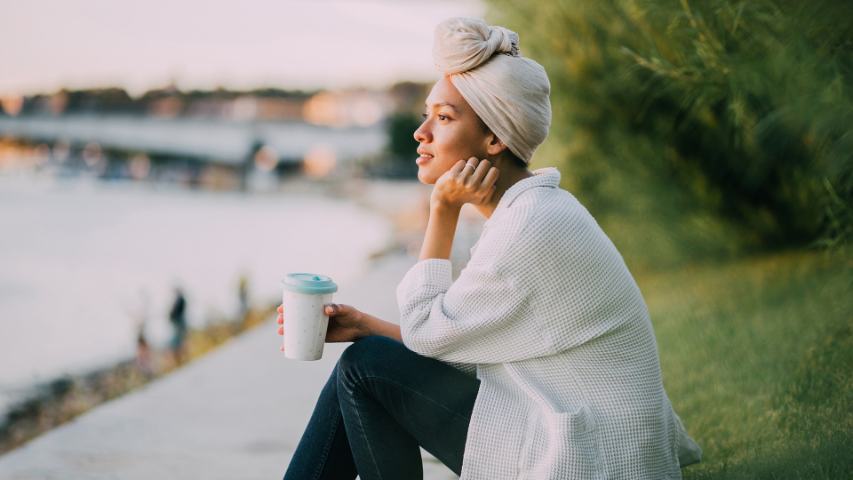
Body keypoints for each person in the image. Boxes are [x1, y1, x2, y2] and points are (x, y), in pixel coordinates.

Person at [278, 17, 702, 480]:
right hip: (584, 434)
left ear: (495, 138)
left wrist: (442, 210)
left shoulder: (529, 227)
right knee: (363, 368)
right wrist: (364, 324)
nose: (421, 133)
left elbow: (427, 332)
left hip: (594, 457)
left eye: (443, 117)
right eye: (426, 114)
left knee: (364, 368)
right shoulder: (533, 210)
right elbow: (456, 344)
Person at [168, 286, 188, 366]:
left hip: (179, 323)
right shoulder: (179, 300)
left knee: (180, 340)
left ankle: (181, 358)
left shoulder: (180, 300)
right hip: (178, 323)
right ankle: (181, 359)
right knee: (179, 340)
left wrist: (172, 317)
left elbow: (174, 313)